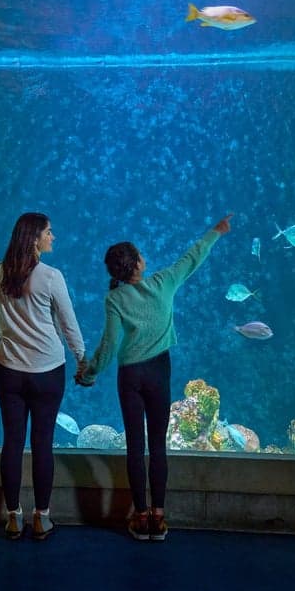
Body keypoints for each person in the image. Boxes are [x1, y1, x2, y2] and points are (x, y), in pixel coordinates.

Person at [76, 213, 232, 542]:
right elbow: (191, 258)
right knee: (157, 447)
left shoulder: (114, 298)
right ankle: (159, 518)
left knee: (136, 447)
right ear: (137, 264)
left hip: (130, 375)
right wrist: (215, 232)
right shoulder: (163, 283)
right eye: (141, 254)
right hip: (159, 371)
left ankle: (141, 515)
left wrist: (88, 374)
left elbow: (108, 345)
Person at [0, 212, 86, 540]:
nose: (53, 237)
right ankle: (42, 518)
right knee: (42, 443)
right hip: (47, 372)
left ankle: (13, 518)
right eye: (48, 232)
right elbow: (69, 325)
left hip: (9, 371)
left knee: (12, 443)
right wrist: (83, 361)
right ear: (34, 239)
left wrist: (11, 338)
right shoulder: (51, 276)